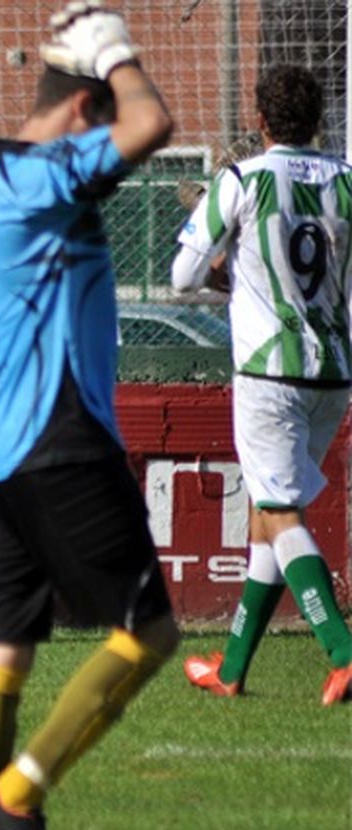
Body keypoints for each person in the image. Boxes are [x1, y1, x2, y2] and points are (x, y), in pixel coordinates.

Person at [0, 4, 180, 830]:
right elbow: (153, 121)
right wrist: (117, 50)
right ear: (84, 110)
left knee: (3, 649)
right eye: (102, 112)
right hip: (57, 438)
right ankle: (15, 796)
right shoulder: (39, 177)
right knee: (149, 629)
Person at [170, 64, 352, 706]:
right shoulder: (348, 182)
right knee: (267, 516)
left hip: (269, 370)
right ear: (320, 120)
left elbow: (183, 276)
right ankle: (233, 667)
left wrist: (230, 275)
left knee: (278, 511)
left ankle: (343, 650)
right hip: (332, 370)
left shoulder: (241, 178)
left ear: (261, 120)